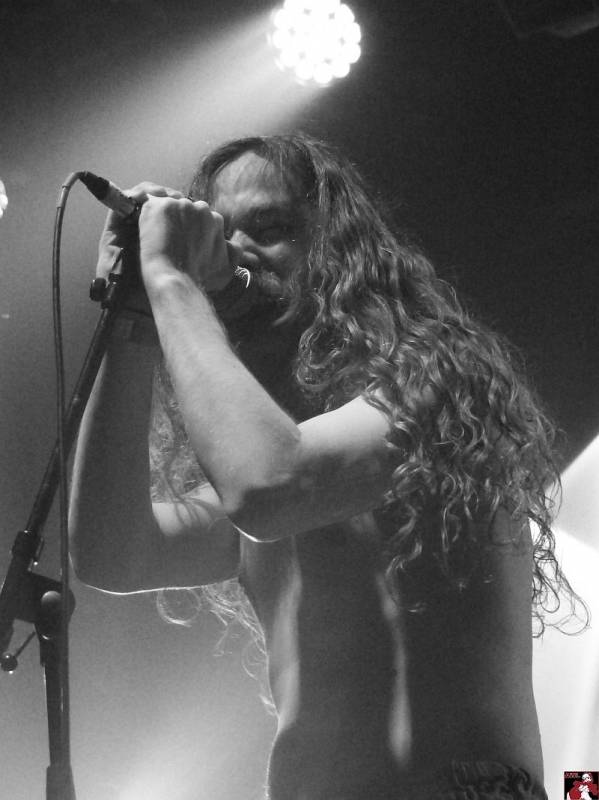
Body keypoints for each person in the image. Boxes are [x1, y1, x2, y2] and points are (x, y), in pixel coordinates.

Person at [69, 134, 575, 800]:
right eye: (220, 233)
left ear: (336, 252)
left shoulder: (438, 385)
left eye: (270, 229)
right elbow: (112, 553)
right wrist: (133, 312)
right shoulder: (267, 453)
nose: (236, 251)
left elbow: (269, 487)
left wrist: (170, 278)